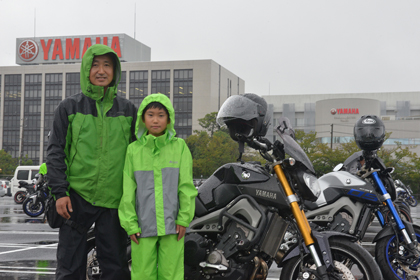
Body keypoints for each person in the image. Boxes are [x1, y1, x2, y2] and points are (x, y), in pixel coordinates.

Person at [46, 44, 136, 279]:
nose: (101, 70)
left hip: (114, 202)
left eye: (107, 65)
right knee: (69, 267)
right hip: (76, 199)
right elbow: (56, 151)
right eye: (95, 65)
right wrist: (60, 192)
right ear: (86, 69)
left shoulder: (128, 110)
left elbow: (141, 156)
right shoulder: (69, 107)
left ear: (115, 71)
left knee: (116, 268)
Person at [118, 93, 197, 280]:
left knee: (171, 274)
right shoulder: (133, 150)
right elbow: (128, 191)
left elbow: (186, 187)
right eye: (150, 115)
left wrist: (183, 219)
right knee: (142, 274)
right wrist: (130, 224)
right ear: (142, 119)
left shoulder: (180, 147)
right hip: (142, 227)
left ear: (169, 119)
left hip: (173, 226)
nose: (155, 120)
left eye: (161, 115)